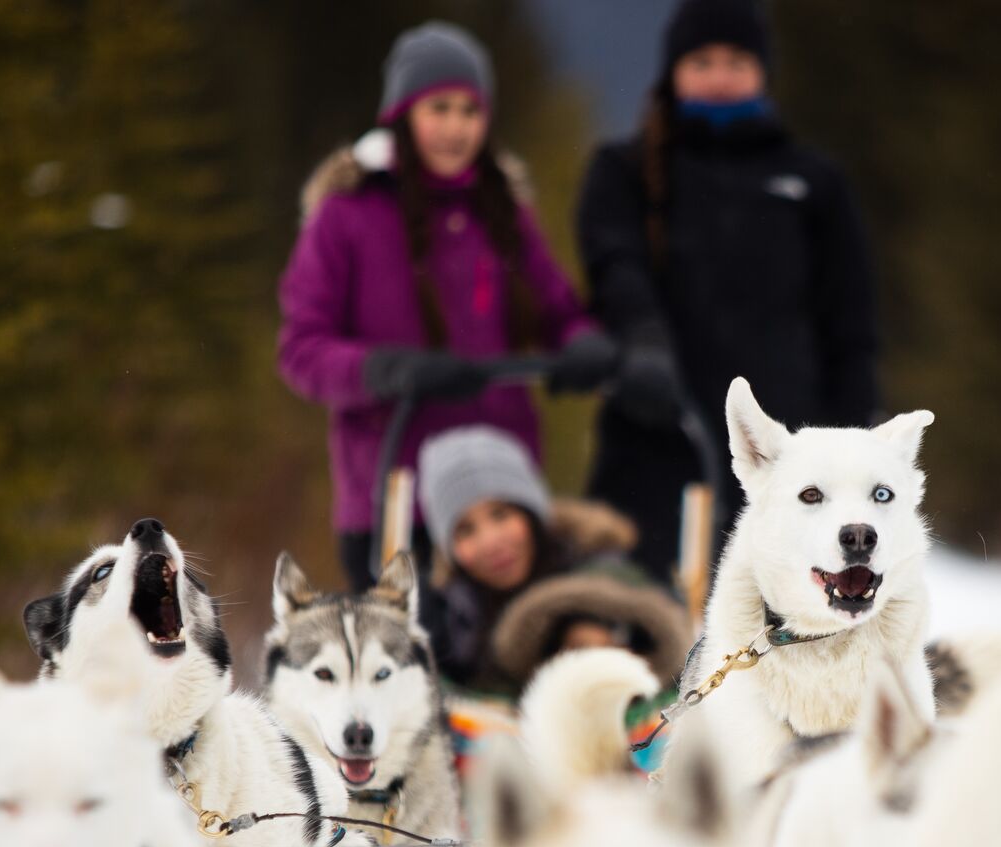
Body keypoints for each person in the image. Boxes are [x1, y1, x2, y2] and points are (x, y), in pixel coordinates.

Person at [278, 20, 619, 592]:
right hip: (396, 500)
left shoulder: (501, 209)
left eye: (470, 109)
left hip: (503, 510)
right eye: (439, 107)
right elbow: (302, 349)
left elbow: (557, 309)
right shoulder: (348, 214)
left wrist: (581, 344)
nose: (456, 127)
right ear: (404, 113)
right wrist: (383, 369)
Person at [575, 0, 884, 578]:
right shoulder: (624, 170)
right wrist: (642, 339)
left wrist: (853, 442)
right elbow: (613, 266)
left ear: (763, 69)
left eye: (737, 60)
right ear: (673, 70)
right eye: (703, 60)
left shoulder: (813, 182)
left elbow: (851, 321)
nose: (720, 76)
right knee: (637, 614)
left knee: (783, 622)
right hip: (656, 435)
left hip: (790, 452)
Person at [416, 426, 690, 700]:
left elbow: (652, 620)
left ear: (531, 515)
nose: (491, 541)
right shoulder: (447, 619)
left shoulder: (600, 567)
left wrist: (591, 622)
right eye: (465, 530)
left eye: (500, 514)